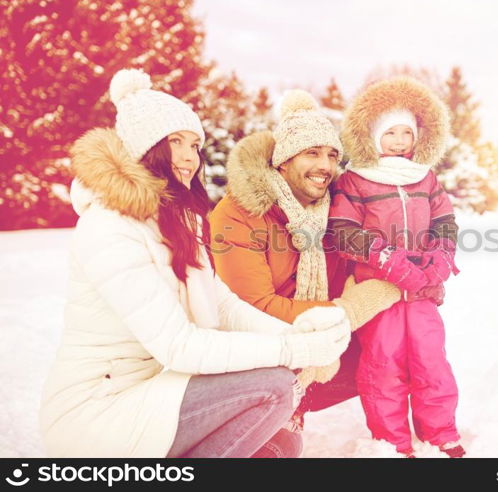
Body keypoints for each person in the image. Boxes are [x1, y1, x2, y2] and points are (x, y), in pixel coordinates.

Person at [38, 69, 351, 458]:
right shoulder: (108, 229)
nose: (190, 156)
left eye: (195, 144)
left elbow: (224, 306)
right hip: (97, 411)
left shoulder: (178, 222)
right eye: (176, 142)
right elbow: (178, 346)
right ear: (144, 147)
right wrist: (292, 354)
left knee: (284, 444)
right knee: (274, 387)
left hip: (156, 391)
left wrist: (297, 338)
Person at [209, 90, 401, 427]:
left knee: (399, 341)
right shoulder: (240, 212)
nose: (325, 166)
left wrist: (414, 278)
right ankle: (266, 408)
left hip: (311, 337)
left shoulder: (334, 213)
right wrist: (348, 311)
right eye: (311, 153)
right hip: (255, 347)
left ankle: (299, 401)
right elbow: (253, 307)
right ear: (283, 161)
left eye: (331, 155)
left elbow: (370, 260)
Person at [329, 77, 465, 458]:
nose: (401, 141)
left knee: (431, 360)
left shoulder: (424, 176)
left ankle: (440, 432)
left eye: (407, 132)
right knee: (383, 364)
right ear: (373, 136)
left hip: (422, 288)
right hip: (379, 291)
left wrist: (441, 257)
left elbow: (444, 221)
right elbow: (343, 230)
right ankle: (392, 441)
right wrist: (386, 259)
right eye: (391, 132)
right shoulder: (357, 179)